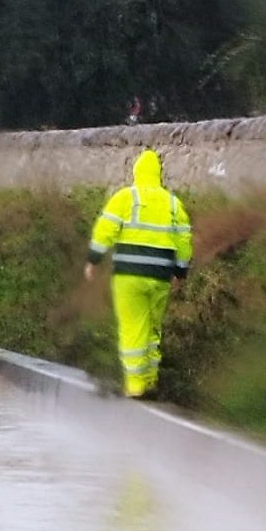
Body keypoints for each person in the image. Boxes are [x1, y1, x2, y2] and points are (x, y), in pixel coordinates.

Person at [83, 148, 192, 398]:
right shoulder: (173, 204)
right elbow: (184, 242)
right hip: (160, 276)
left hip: (129, 276)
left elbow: (104, 230)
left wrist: (93, 260)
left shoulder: (125, 198)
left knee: (133, 327)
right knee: (152, 329)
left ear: (136, 172)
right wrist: (180, 272)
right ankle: (151, 380)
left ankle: (136, 386)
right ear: (159, 174)